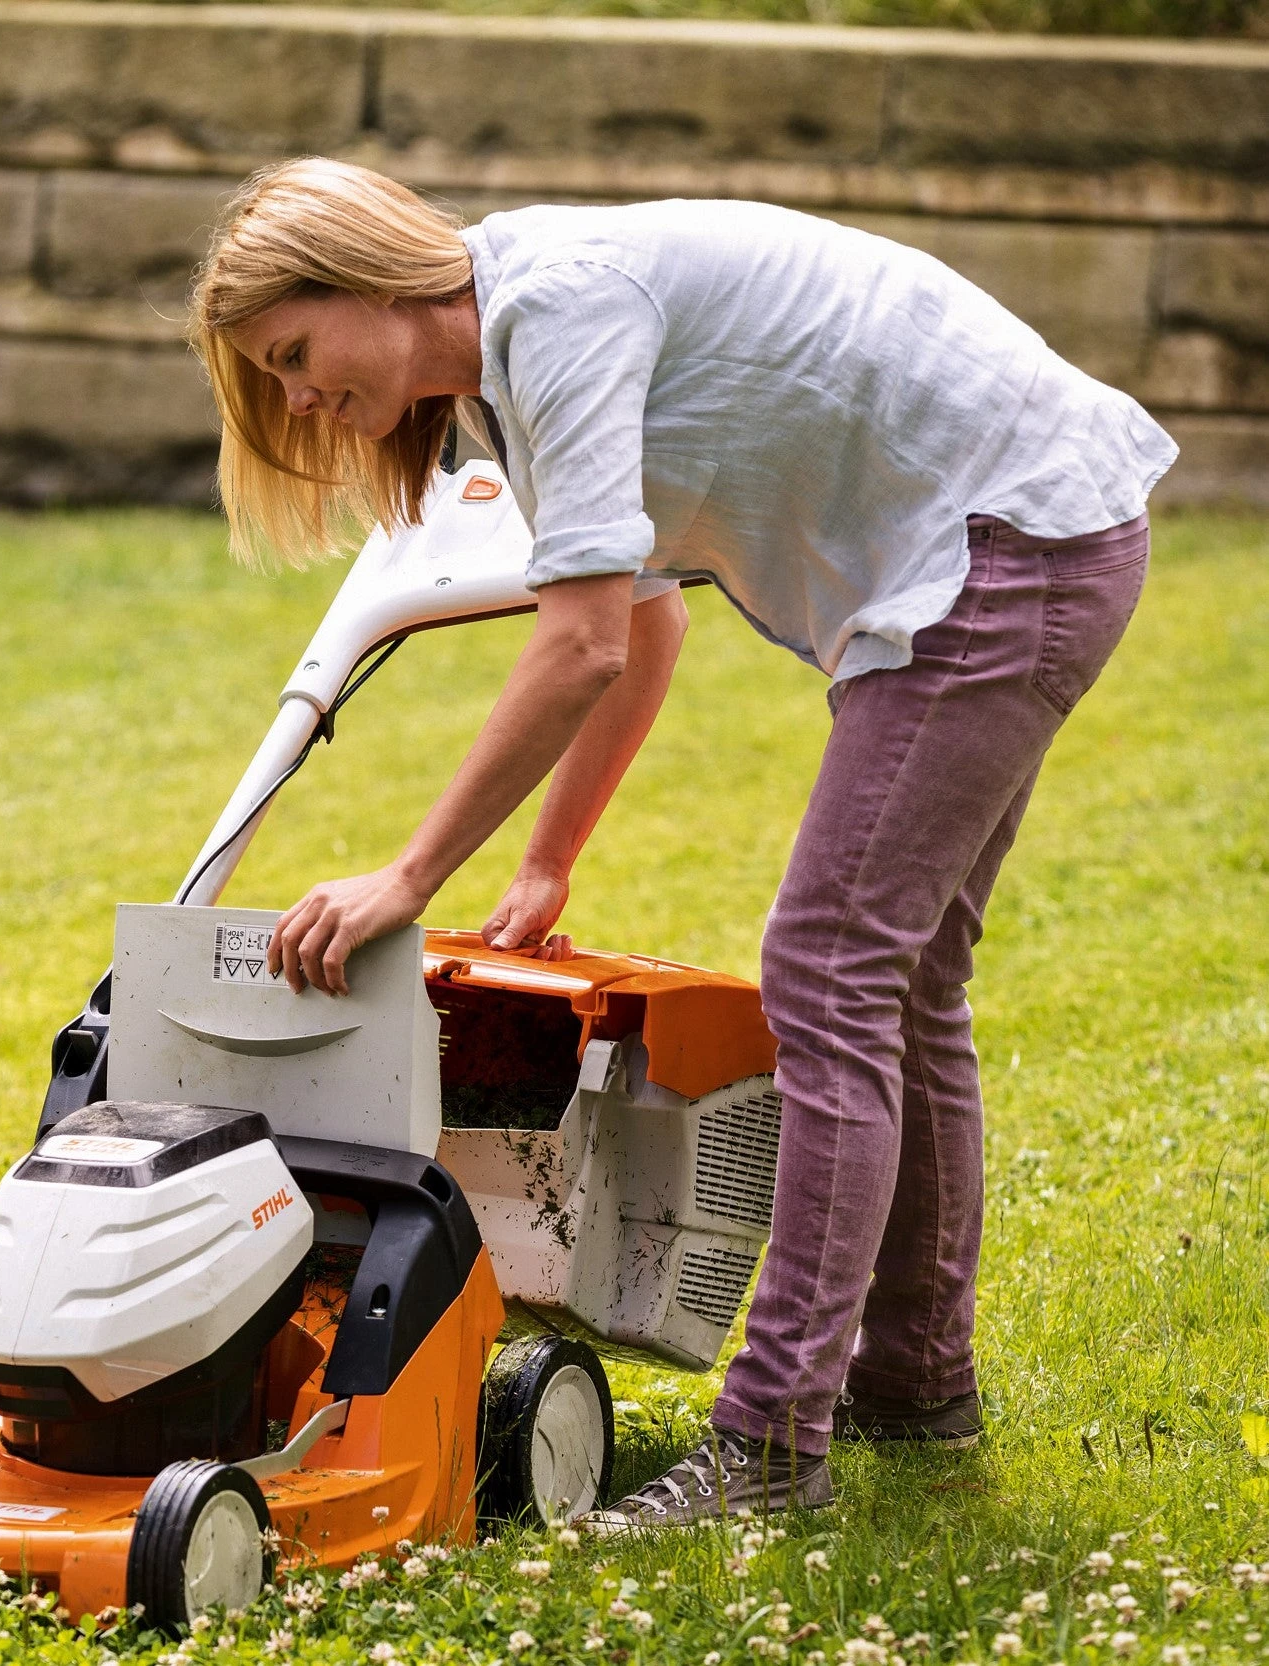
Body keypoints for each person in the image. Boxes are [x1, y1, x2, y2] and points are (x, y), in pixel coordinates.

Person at [188, 157, 1176, 1524]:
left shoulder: (557, 314)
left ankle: (771, 1445)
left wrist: (409, 877)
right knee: (901, 988)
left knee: (830, 974)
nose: (296, 399)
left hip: (1002, 546)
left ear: (368, 273)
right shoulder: (506, 364)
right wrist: (544, 860)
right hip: (1024, 535)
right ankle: (913, 1390)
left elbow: (581, 640)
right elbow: (643, 620)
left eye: (295, 354)